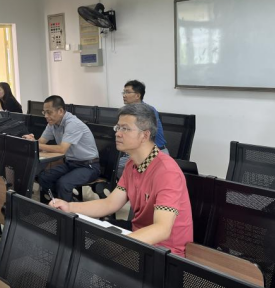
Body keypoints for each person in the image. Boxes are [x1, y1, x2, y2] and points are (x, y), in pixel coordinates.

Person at [50, 104, 193, 256]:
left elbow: (162, 229)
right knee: (80, 239)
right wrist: (69, 206)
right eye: (118, 127)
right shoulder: (132, 164)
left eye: (125, 129)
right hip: (138, 234)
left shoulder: (167, 172)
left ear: (145, 135)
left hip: (165, 251)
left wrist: (120, 245)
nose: (118, 133)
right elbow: (110, 203)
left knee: (94, 252)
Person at [23, 95, 100, 202]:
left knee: (64, 183)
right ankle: (58, 204)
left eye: (49, 112)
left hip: (89, 166)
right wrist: (32, 140)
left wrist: (36, 144)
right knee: (44, 177)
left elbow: (62, 149)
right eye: (44, 112)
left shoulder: (72, 123)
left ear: (60, 111)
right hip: (71, 164)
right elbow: (40, 142)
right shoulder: (52, 123)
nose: (46, 116)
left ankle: (69, 210)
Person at [118, 80, 169, 178]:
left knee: (117, 167)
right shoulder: (129, 111)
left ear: (137, 95)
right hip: (138, 151)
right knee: (115, 165)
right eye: (123, 92)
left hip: (154, 152)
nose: (124, 95)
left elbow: (145, 136)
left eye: (127, 92)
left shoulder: (146, 111)